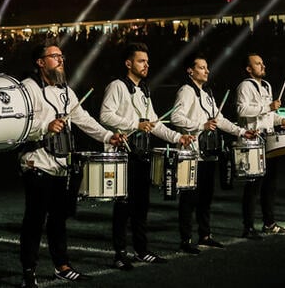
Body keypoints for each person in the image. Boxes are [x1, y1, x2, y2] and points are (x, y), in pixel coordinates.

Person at [18, 41, 125, 288]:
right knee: (34, 220)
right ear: (40, 62)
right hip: (36, 163)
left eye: (61, 56)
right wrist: (45, 127)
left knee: (58, 219)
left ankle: (62, 266)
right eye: (54, 56)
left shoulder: (66, 90)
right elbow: (19, 125)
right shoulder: (28, 88)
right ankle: (28, 271)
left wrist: (109, 136)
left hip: (60, 165)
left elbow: (84, 120)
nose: (61, 60)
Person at [99, 42, 195, 271]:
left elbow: (154, 123)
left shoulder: (144, 90)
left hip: (142, 154)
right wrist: (135, 124)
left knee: (142, 205)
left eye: (147, 62)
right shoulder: (117, 86)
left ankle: (142, 250)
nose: (146, 65)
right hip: (124, 154)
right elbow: (105, 115)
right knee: (123, 207)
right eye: (141, 61)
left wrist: (177, 137)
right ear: (128, 63)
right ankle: (120, 254)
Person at [170, 53, 256, 254]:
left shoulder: (207, 92)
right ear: (190, 71)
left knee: (206, 197)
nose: (207, 70)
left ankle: (205, 235)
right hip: (191, 153)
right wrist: (201, 124)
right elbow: (175, 117)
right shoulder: (186, 90)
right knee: (189, 198)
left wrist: (242, 131)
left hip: (208, 153)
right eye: (201, 67)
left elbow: (220, 120)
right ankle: (186, 239)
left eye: (207, 67)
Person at [235, 53, 285, 239]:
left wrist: (281, 119)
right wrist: (268, 107)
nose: (263, 66)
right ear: (249, 68)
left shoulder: (267, 85)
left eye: (262, 62)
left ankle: (269, 222)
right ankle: (248, 226)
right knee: (253, 186)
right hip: (252, 141)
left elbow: (269, 115)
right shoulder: (245, 85)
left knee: (270, 185)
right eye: (258, 63)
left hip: (269, 140)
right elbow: (242, 110)